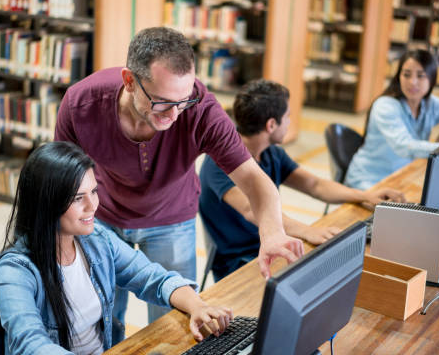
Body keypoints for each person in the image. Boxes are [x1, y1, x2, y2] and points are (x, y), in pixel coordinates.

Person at [55, 27, 302, 326]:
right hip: (104, 217)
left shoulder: (200, 110)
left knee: (175, 322)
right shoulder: (81, 104)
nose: (173, 115)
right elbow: (62, 178)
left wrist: (272, 232)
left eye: (182, 100)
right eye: (161, 102)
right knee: (104, 318)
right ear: (129, 81)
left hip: (171, 219)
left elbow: (254, 180)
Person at [0, 142, 233, 355]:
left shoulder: (96, 239)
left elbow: (152, 277)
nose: (92, 206)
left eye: (94, 192)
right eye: (78, 198)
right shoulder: (14, 271)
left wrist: (197, 306)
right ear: (46, 203)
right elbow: (35, 349)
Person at [199, 79, 405, 281]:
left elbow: (315, 185)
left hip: (275, 242)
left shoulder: (271, 153)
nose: (289, 122)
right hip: (240, 263)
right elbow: (254, 209)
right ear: (271, 125)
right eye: (287, 116)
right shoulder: (219, 163)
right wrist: (307, 231)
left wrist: (365, 195)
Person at [345, 49, 439, 190]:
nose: (412, 82)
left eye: (421, 76)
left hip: (402, 176)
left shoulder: (431, 104)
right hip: (369, 180)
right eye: (406, 75)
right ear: (399, 76)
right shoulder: (385, 106)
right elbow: (404, 146)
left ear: (432, 79)